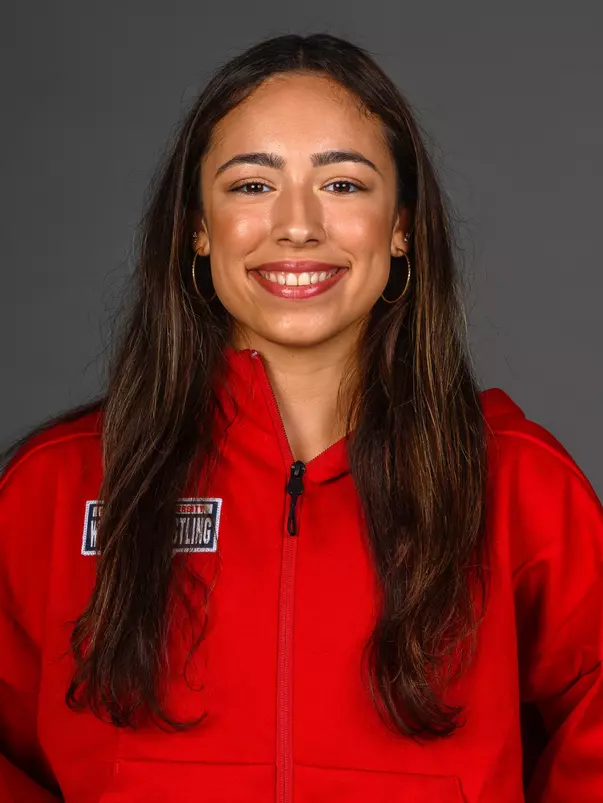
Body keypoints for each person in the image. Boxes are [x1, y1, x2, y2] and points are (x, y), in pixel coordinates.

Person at [0, 31, 601, 803]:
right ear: (197, 226)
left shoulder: (518, 485)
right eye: (251, 185)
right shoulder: (60, 487)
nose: (296, 224)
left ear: (401, 225)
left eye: (342, 184)